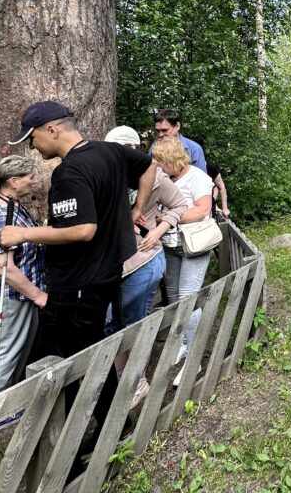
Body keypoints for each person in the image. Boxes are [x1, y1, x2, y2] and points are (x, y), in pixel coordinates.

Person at [1, 101, 155, 467]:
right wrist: (137, 209)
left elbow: (84, 230)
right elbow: (149, 168)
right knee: (94, 353)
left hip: (78, 285)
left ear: (53, 129)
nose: (33, 147)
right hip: (105, 275)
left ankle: (79, 445)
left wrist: (22, 234)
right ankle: (114, 430)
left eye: (33, 138)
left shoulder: (70, 173)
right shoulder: (112, 152)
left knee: (69, 364)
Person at [102, 126, 187, 402]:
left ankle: (136, 383)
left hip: (142, 259)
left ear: (132, 148)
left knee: (133, 324)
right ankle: (119, 381)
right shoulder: (102, 174)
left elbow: (179, 205)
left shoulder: (156, 176)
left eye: (120, 147)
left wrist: (157, 231)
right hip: (109, 264)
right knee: (109, 325)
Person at [0, 155, 46, 400]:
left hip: (18, 296)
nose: (34, 182)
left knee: (17, 355)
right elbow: (4, 267)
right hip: (8, 297)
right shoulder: (0, 215)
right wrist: (38, 295)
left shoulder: (12, 206)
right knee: (5, 357)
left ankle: (7, 412)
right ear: (14, 181)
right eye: (30, 177)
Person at [151, 137, 216, 386]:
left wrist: (169, 218)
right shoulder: (164, 178)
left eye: (159, 161)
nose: (156, 166)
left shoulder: (197, 177)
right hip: (170, 246)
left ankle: (195, 358)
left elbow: (202, 209)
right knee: (177, 298)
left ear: (171, 160)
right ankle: (185, 343)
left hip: (193, 246)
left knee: (189, 297)